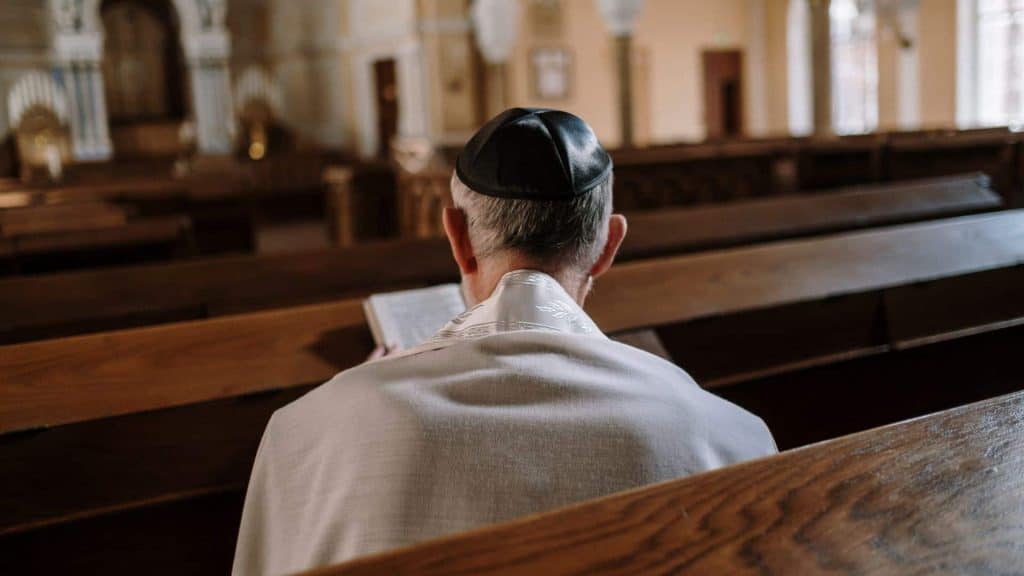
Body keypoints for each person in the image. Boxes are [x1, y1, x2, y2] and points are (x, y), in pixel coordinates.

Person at [232, 108, 776, 575]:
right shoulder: (732, 437)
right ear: (608, 246)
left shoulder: (305, 437)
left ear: (457, 238)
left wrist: (360, 387)